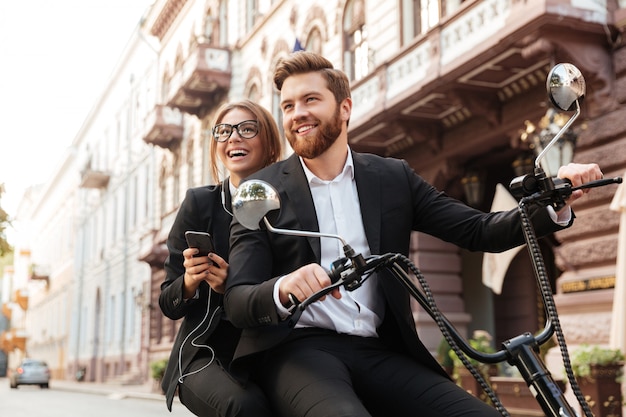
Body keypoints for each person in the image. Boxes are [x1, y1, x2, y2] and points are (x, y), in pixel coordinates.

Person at [223, 51, 604, 417]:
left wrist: (555, 198)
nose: (297, 113)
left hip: (380, 348)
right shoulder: (259, 190)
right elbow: (238, 301)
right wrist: (284, 287)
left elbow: (479, 230)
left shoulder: (392, 177)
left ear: (345, 108)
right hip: (298, 350)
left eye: (310, 99)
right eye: (288, 106)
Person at [159, 99, 282, 417]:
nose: (233, 138)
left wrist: (235, 288)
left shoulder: (288, 205)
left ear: (268, 141)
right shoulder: (199, 203)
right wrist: (188, 282)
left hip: (269, 347)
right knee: (244, 407)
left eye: (247, 129)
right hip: (205, 349)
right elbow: (167, 302)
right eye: (224, 131)